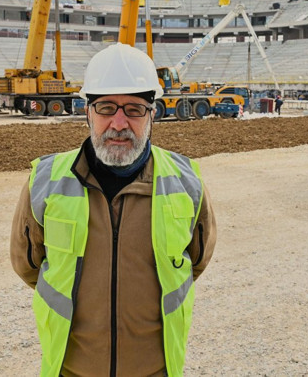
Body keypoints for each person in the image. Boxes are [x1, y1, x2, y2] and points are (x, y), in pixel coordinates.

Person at [11, 43, 217, 377]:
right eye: (106, 107)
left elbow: (195, 262)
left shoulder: (186, 181)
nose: (119, 123)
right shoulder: (45, 181)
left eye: (134, 109)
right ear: (88, 111)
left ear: (152, 113)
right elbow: (28, 266)